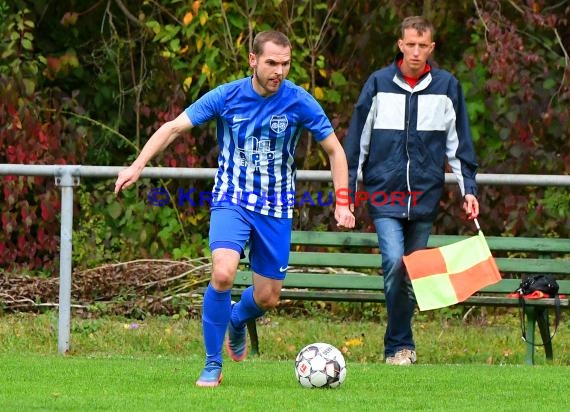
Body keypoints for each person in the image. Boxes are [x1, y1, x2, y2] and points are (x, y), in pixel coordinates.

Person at [114, 30, 355, 386]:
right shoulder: (227, 96)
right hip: (233, 199)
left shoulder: (299, 101)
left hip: (276, 207)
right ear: (253, 61)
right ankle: (212, 364)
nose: (279, 71)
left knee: (268, 296)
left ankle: (238, 320)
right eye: (272, 63)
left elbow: (335, 150)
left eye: (285, 64)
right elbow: (174, 128)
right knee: (223, 273)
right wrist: (137, 166)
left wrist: (343, 200)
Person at [343, 16, 479, 366]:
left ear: (431, 48)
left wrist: (469, 191)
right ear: (400, 45)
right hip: (384, 195)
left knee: (411, 272)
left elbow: (459, 146)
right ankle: (398, 346)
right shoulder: (378, 84)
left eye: (423, 45)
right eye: (410, 44)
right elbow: (357, 142)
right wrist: (346, 194)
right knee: (392, 262)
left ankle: (402, 344)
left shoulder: (447, 87)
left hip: (424, 197)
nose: (416, 52)